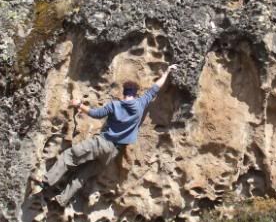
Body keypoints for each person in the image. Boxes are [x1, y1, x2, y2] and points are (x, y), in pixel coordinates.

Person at [41, 64, 177, 206]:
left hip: (101, 143)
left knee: (68, 156)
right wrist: (167, 72)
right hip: (112, 153)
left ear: (124, 92)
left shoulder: (115, 105)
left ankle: (47, 181)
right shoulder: (140, 104)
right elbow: (155, 89)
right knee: (82, 176)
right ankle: (62, 200)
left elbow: (96, 113)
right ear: (135, 93)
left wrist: (79, 104)